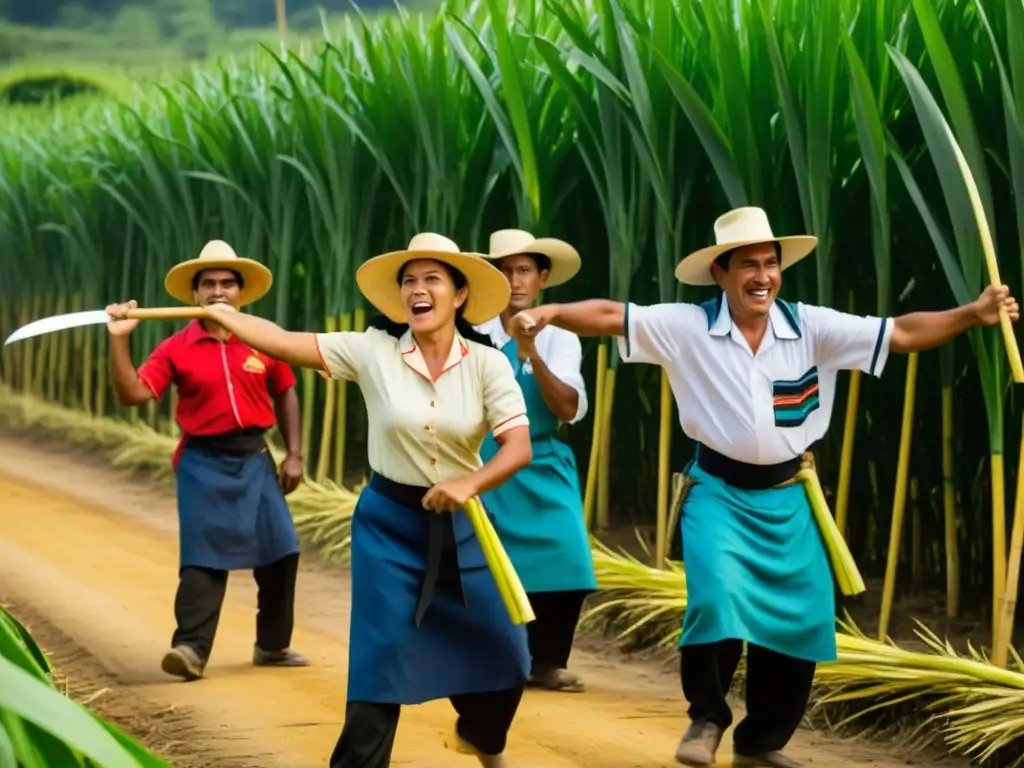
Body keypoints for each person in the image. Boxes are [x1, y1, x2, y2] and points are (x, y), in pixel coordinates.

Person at [505, 206, 1020, 768]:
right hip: (717, 492)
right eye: (747, 264)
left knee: (804, 618)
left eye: (771, 264)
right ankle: (707, 717)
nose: (762, 275)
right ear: (721, 273)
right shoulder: (687, 325)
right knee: (716, 596)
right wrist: (550, 312)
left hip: (789, 497)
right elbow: (610, 315)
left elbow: (900, 333)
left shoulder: (811, 326)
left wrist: (973, 313)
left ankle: (761, 741)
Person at [170, 233, 535, 768]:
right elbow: (277, 338)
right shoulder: (370, 351)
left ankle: (482, 736)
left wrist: (467, 485)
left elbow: (517, 447)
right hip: (388, 527)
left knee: (510, 657)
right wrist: (221, 313)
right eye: (409, 280)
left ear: (459, 294)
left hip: (465, 523)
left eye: (432, 278)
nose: (418, 289)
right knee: (378, 667)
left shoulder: (487, 364)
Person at [105, 240, 309, 682]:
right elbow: (132, 394)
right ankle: (190, 649)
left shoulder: (263, 336)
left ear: (241, 292)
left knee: (282, 550)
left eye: (227, 284)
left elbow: (286, 390)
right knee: (204, 557)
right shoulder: (177, 347)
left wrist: (294, 453)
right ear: (195, 294)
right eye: (209, 285)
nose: (219, 292)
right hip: (202, 462)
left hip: (255, 457)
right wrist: (120, 343)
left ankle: (272, 645)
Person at [474, 229, 597, 693]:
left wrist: (531, 354)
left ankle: (548, 660)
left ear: (542, 278)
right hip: (484, 459)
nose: (514, 280)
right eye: (503, 272)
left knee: (568, 554)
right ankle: (501, 656)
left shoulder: (562, 339)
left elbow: (567, 408)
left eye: (523, 270)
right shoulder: (472, 331)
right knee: (488, 561)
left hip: (543, 458)